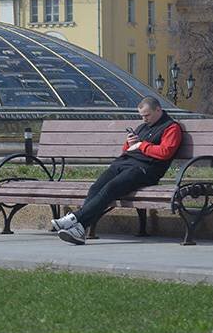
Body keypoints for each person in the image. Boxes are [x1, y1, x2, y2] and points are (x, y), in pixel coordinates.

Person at [52, 97, 182, 245]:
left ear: (158, 110)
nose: (144, 119)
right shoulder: (143, 127)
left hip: (145, 170)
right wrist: (129, 143)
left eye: (147, 115)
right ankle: (79, 228)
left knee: (111, 188)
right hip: (123, 164)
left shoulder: (171, 128)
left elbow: (166, 152)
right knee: (96, 187)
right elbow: (128, 150)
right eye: (142, 116)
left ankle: (75, 219)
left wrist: (141, 145)